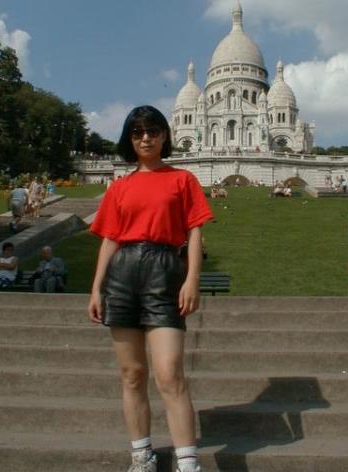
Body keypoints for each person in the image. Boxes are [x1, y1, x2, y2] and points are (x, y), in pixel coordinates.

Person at [88, 105, 213, 472]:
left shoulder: (183, 180)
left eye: (153, 130)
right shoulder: (120, 187)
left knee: (170, 373)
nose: (146, 137)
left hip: (164, 271)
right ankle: (141, 455)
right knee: (131, 374)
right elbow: (109, 240)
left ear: (165, 135)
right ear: (130, 138)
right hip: (122, 274)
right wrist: (96, 288)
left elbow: (194, 231)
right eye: (138, 132)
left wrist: (192, 278)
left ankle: (187, 463)